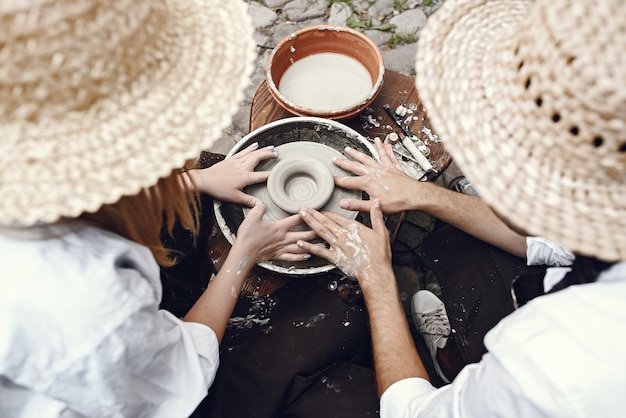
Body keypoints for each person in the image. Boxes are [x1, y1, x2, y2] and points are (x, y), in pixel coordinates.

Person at [297, 0, 626, 416]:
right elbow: (552, 244)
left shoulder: (554, 362)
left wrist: (376, 277)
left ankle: (453, 362)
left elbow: (411, 412)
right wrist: (422, 194)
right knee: (457, 240)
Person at [0, 1, 316, 417]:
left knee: (202, 172)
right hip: (124, 394)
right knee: (320, 338)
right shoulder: (86, 306)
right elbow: (181, 370)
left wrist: (197, 180)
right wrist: (243, 256)